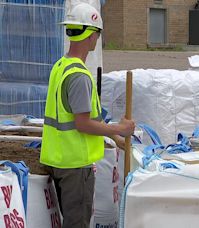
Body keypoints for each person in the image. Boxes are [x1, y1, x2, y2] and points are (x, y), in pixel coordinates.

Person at [40, 3, 135, 227]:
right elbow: (82, 123)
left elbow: (88, 116)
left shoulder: (61, 66)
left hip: (59, 159)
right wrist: (119, 129)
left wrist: (115, 138)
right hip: (75, 165)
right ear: (92, 35)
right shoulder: (80, 76)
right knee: (77, 223)